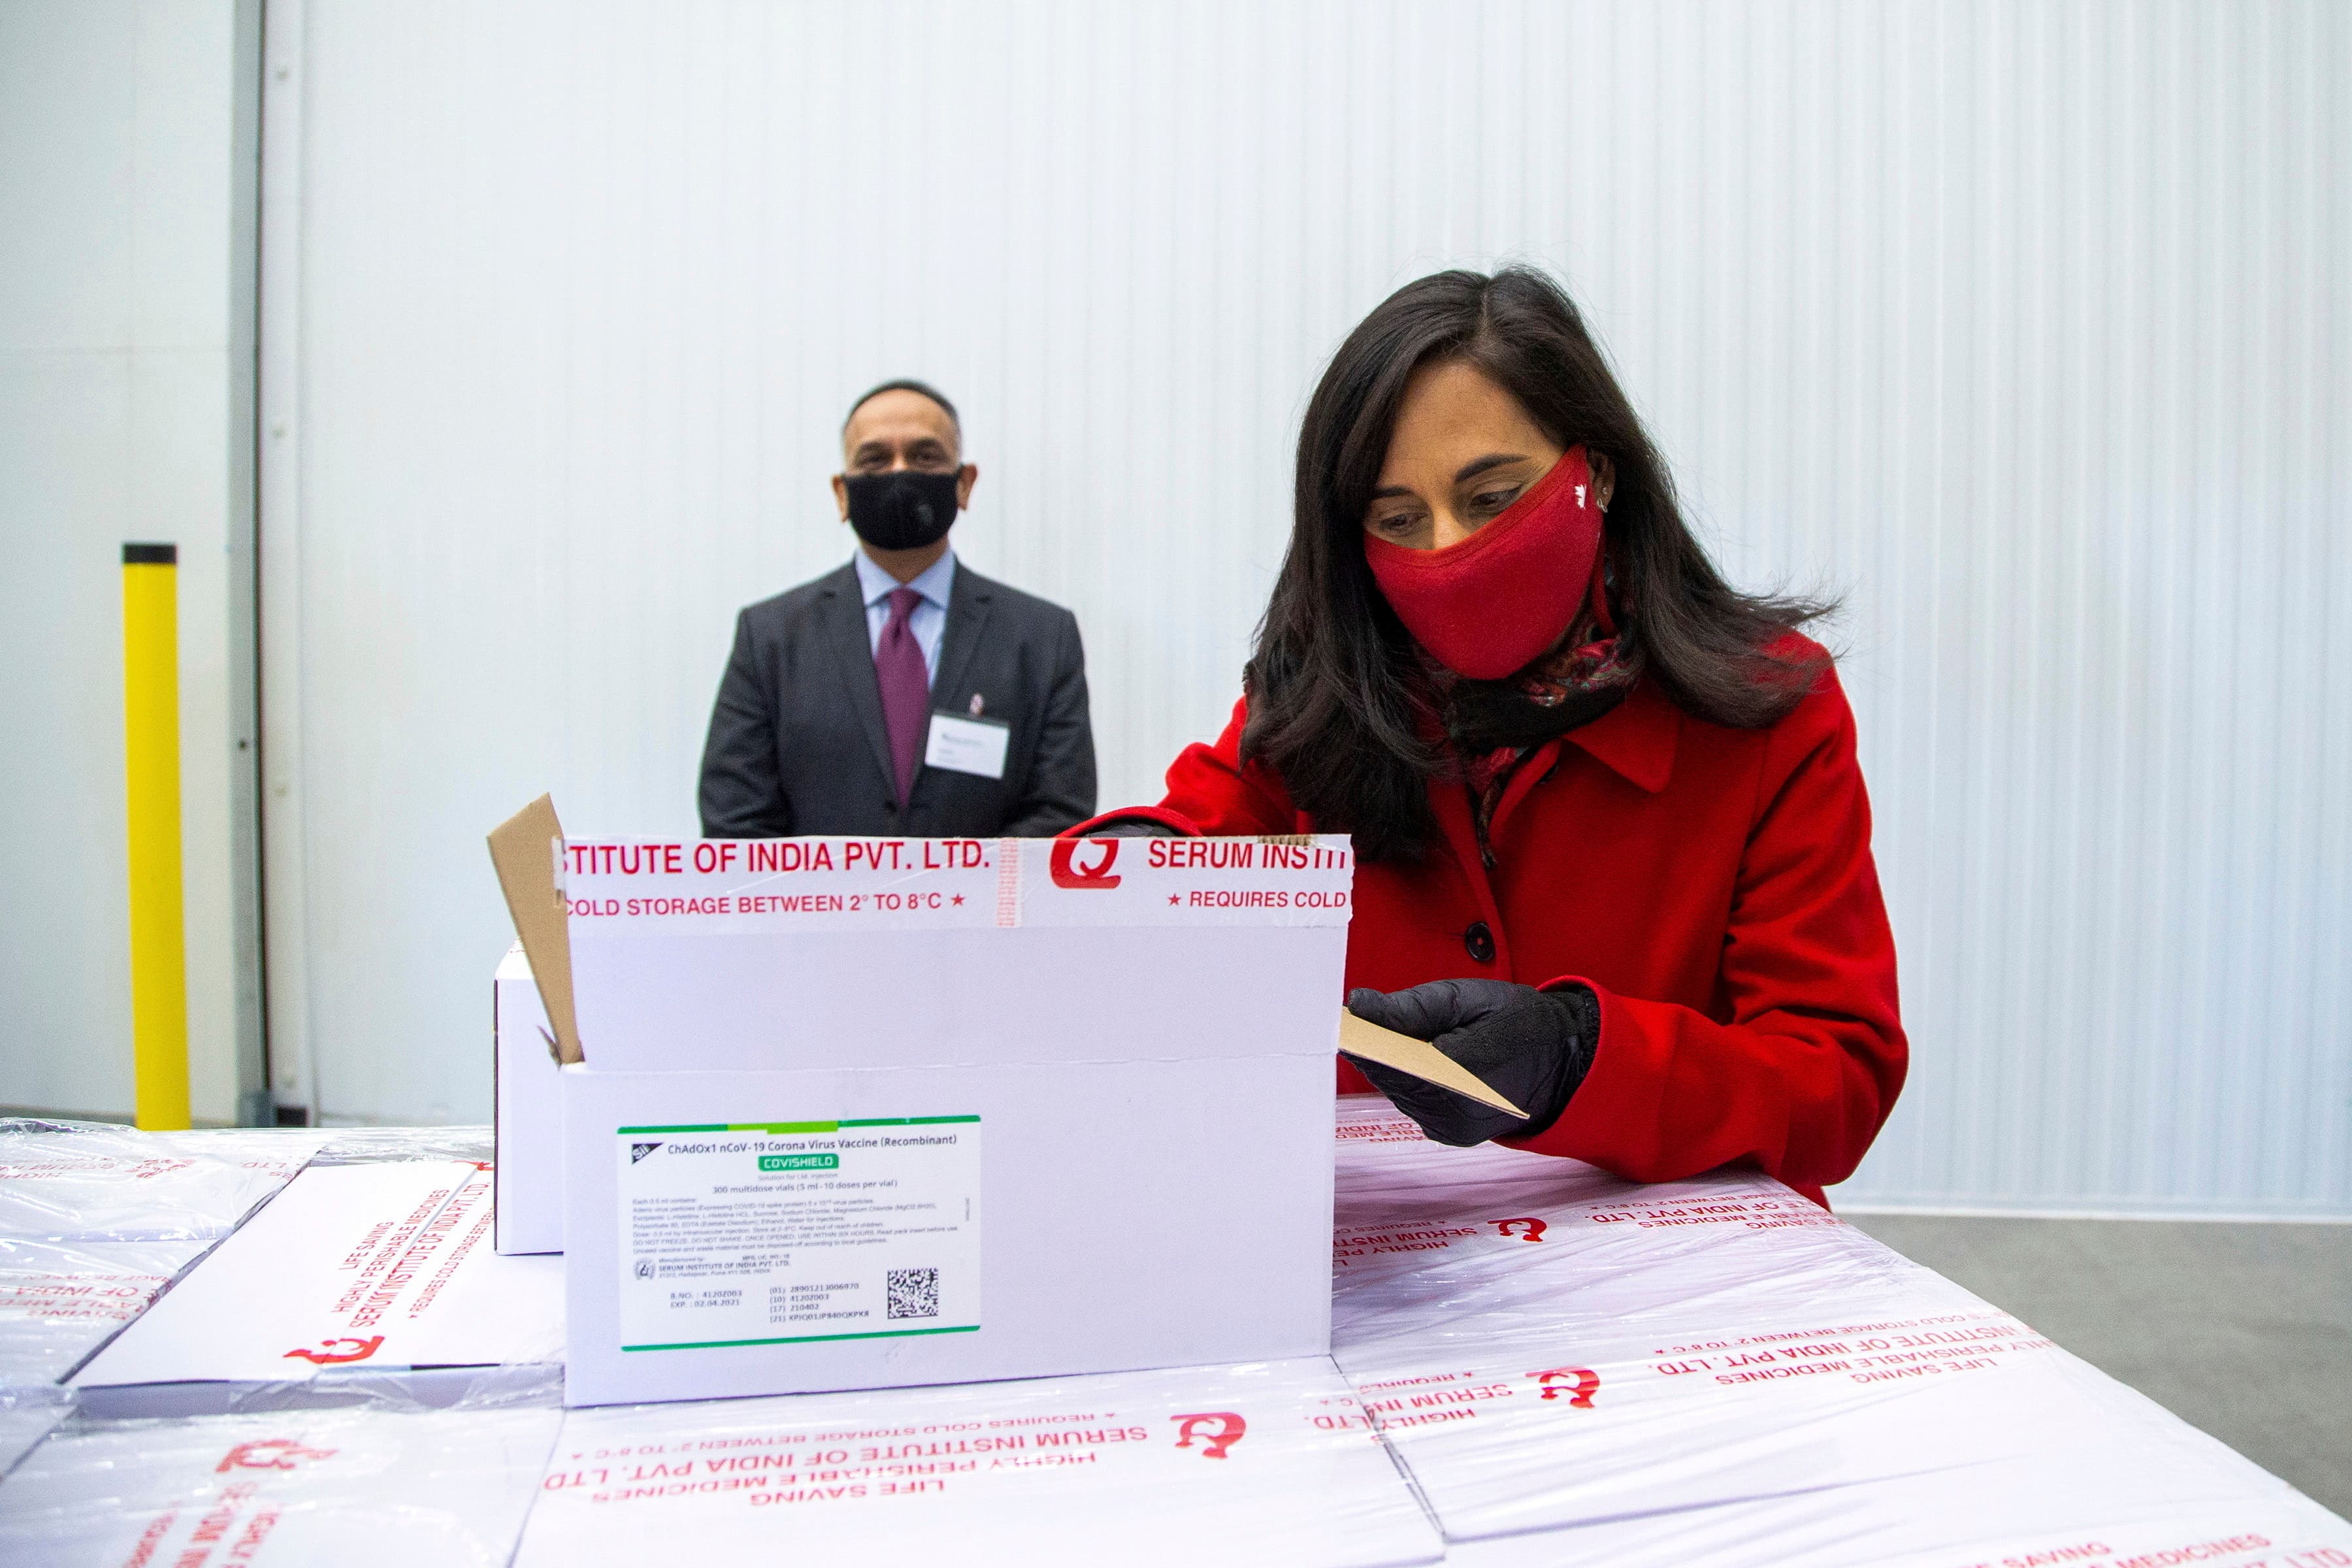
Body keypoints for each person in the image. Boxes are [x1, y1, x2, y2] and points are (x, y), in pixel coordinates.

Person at [1083, 270, 1903, 1207]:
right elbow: (1198, 829)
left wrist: (1582, 1057)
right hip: (1388, 1278)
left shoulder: (1766, 708)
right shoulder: (1324, 696)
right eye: (1398, 520)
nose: (1444, 551)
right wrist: (1116, 879)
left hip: (1666, 1275)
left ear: (1595, 469)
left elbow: (1835, 1082)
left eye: (1492, 497)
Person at [698, 380, 1096, 838]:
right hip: (819, 909)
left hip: (979, 911)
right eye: (875, 460)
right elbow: (735, 821)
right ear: (842, 493)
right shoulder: (769, 637)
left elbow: (1061, 814)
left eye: (925, 457)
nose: (900, 473)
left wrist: (953, 903)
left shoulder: (1043, 638)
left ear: (964, 484)